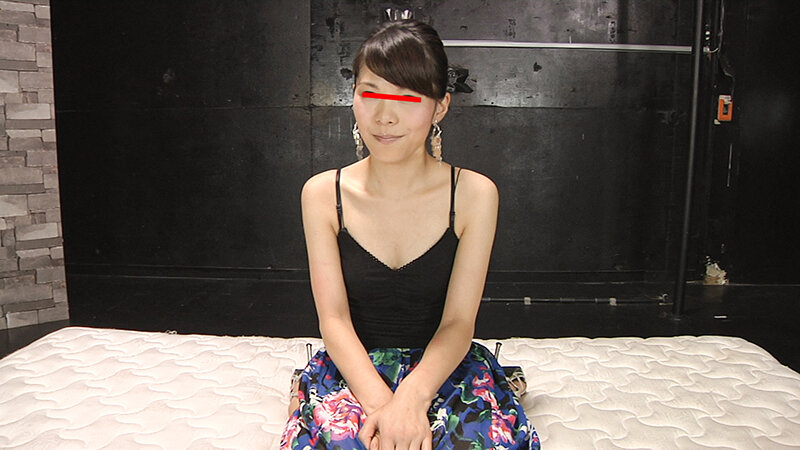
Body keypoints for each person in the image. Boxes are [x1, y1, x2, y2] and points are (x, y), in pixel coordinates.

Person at [281, 19, 540, 449]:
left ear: (440, 107)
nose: (385, 116)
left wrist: (412, 399)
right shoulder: (322, 194)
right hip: (355, 369)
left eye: (407, 97)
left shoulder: (474, 194)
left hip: (442, 370)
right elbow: (334, 320)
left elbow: (458, 322)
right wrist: (386, 410)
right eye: (370, 93)